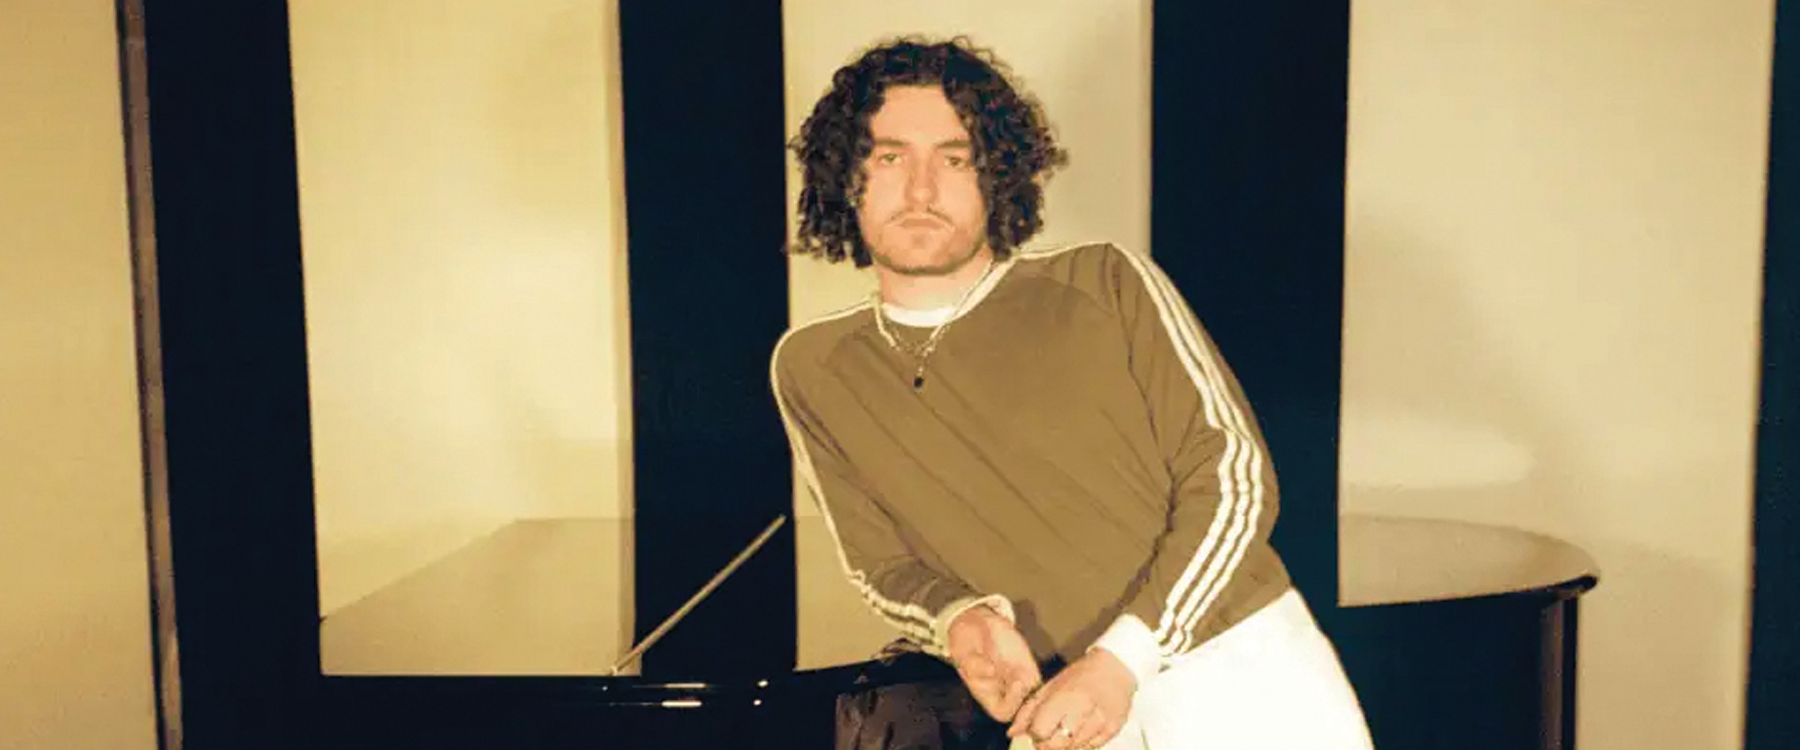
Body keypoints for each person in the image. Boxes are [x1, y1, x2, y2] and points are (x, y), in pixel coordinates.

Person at [770, 35, 1375, 750]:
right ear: (846, 177)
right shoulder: (812, 365)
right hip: (1057, 706)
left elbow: (1233, 481)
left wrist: (1123, 660)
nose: (922, 190)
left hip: (1238, 669)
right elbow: (881, 564)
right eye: (890, 157)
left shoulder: (1105, 282)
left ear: (997, 177)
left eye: (955, 159)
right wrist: (957, 619)